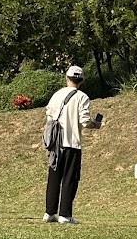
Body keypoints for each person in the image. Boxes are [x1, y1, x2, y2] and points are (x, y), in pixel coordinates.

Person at [43, 64, 102, 225]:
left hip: (56, 143)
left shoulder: (57, 94)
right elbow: (85, 121)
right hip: (72, 142)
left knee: (54, 177)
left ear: (67, 78)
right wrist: (95, 124)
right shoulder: (82, 97)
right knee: (70, 178)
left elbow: (49, 115)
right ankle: (65, 214)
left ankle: (49, 212)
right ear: (81, 80)